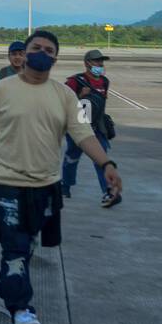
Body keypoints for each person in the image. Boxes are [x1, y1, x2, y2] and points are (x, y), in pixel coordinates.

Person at [0, 30, 122, 324]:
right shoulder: (1, 90)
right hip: (6, 183)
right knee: (15, 247)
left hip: (45, 186)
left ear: (55, 57)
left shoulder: (63, 95)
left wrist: (105, 164)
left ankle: (3, 292)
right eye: (36, 47)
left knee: (27, 244)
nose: (42, 52)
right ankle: (21, 309)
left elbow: (83, 135)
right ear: (25, 53)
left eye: (48, 49)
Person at [62, 48, 116, 206]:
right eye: (97, 61)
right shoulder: (75, 81)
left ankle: (107, 191)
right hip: (78, 127)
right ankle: (65, 186)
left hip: (98, 128)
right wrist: (79, 96)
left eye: (101, 61)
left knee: (101, 159)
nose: (100, 64)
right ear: (87, 63)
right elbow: (63, 102)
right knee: (72, 157)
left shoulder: (104, 82)